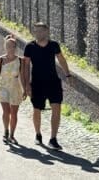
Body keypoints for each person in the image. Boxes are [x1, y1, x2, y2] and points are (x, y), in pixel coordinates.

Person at [23, 22, 72, 150]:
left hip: (53, 82)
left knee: (57, 108)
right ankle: (38, 134)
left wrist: (68, 74)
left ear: (46, 31)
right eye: (36, 31)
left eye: (40, 31)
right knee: (37, 109)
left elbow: (61, 59)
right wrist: (27, 84)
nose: (38, 33)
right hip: (37, 83)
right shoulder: (30, 47)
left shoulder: (54, 45)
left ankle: (53, 138)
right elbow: (26, 66)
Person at [0, 36, 25, 144]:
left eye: (12, 46)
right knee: (6, 111)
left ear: (15, 47)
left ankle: (12, 135)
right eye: (8, 46)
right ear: (5, 46)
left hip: (15, 87)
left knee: (14, 113)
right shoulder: (0, 60)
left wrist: (25, 89)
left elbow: (23, 77)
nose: (10, 48)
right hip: (3, 87)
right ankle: (6, 131)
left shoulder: (20, 60)